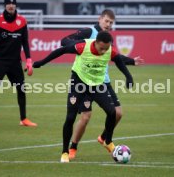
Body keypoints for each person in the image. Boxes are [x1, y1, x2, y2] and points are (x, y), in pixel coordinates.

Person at [33, 31, 134, 163]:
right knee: (70, 117)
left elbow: (119, 61)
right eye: (101, 48)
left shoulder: (110, 50)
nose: (104, 51)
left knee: (112, 112)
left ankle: (107, 141)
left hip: (97, 84)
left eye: (106, 48)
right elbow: (61, 50)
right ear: (96, 42)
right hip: (79, 83)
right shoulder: (82, 46)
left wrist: (129, 76)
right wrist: (41, 62)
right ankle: (65, 152)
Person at [61, 9, 144, 159]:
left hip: (102, 82)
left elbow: (115, 56)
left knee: (118, 113)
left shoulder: (106, 38)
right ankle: (73, 148)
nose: (108, 24)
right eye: (106, 21)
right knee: (86, 116)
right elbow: (64, 41)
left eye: (111, 23)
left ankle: (104, 139)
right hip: (84, 81)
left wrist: (132, 61)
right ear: (100, 19)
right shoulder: (88, 32)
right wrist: (80, 45)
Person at [0, 0, 37, 129]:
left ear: (16, 5)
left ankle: (23, 119)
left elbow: (25, 42)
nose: (11, 6)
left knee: (21, 89)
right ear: (5, 5)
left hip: (15, 62)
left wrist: (28, 60)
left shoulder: (22, 21)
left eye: (13, 4)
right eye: (8, 4)